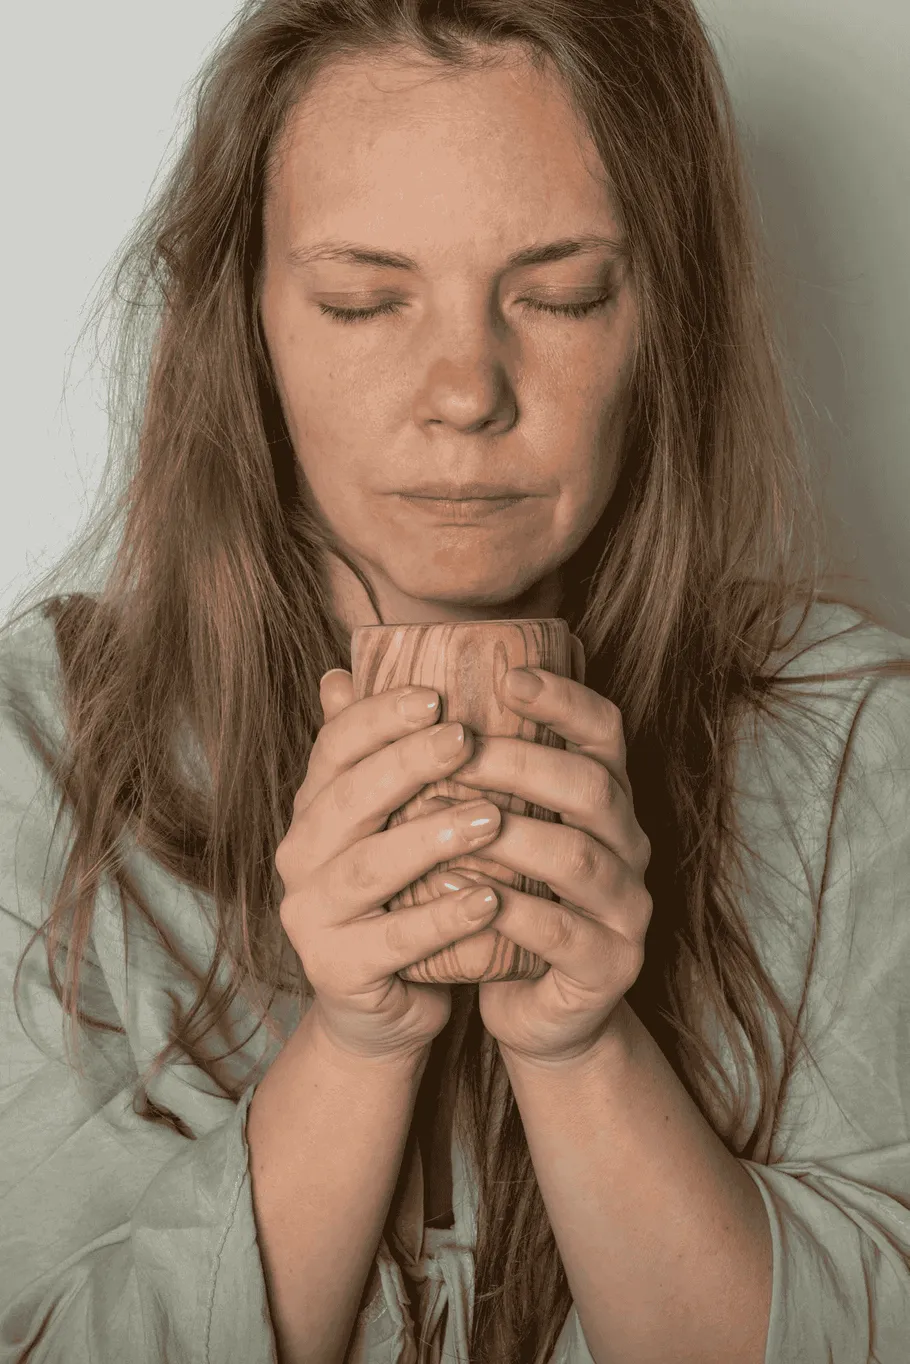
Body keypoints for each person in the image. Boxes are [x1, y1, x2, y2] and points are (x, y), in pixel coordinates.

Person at [1, 1, 909, 1361]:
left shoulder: (852, 743)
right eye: (363, 300)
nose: (465, 390)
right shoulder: (41, 747)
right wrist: (356, 1054)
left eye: (559, 294)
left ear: (663, 322)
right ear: (240, 326)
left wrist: (580, 1052)